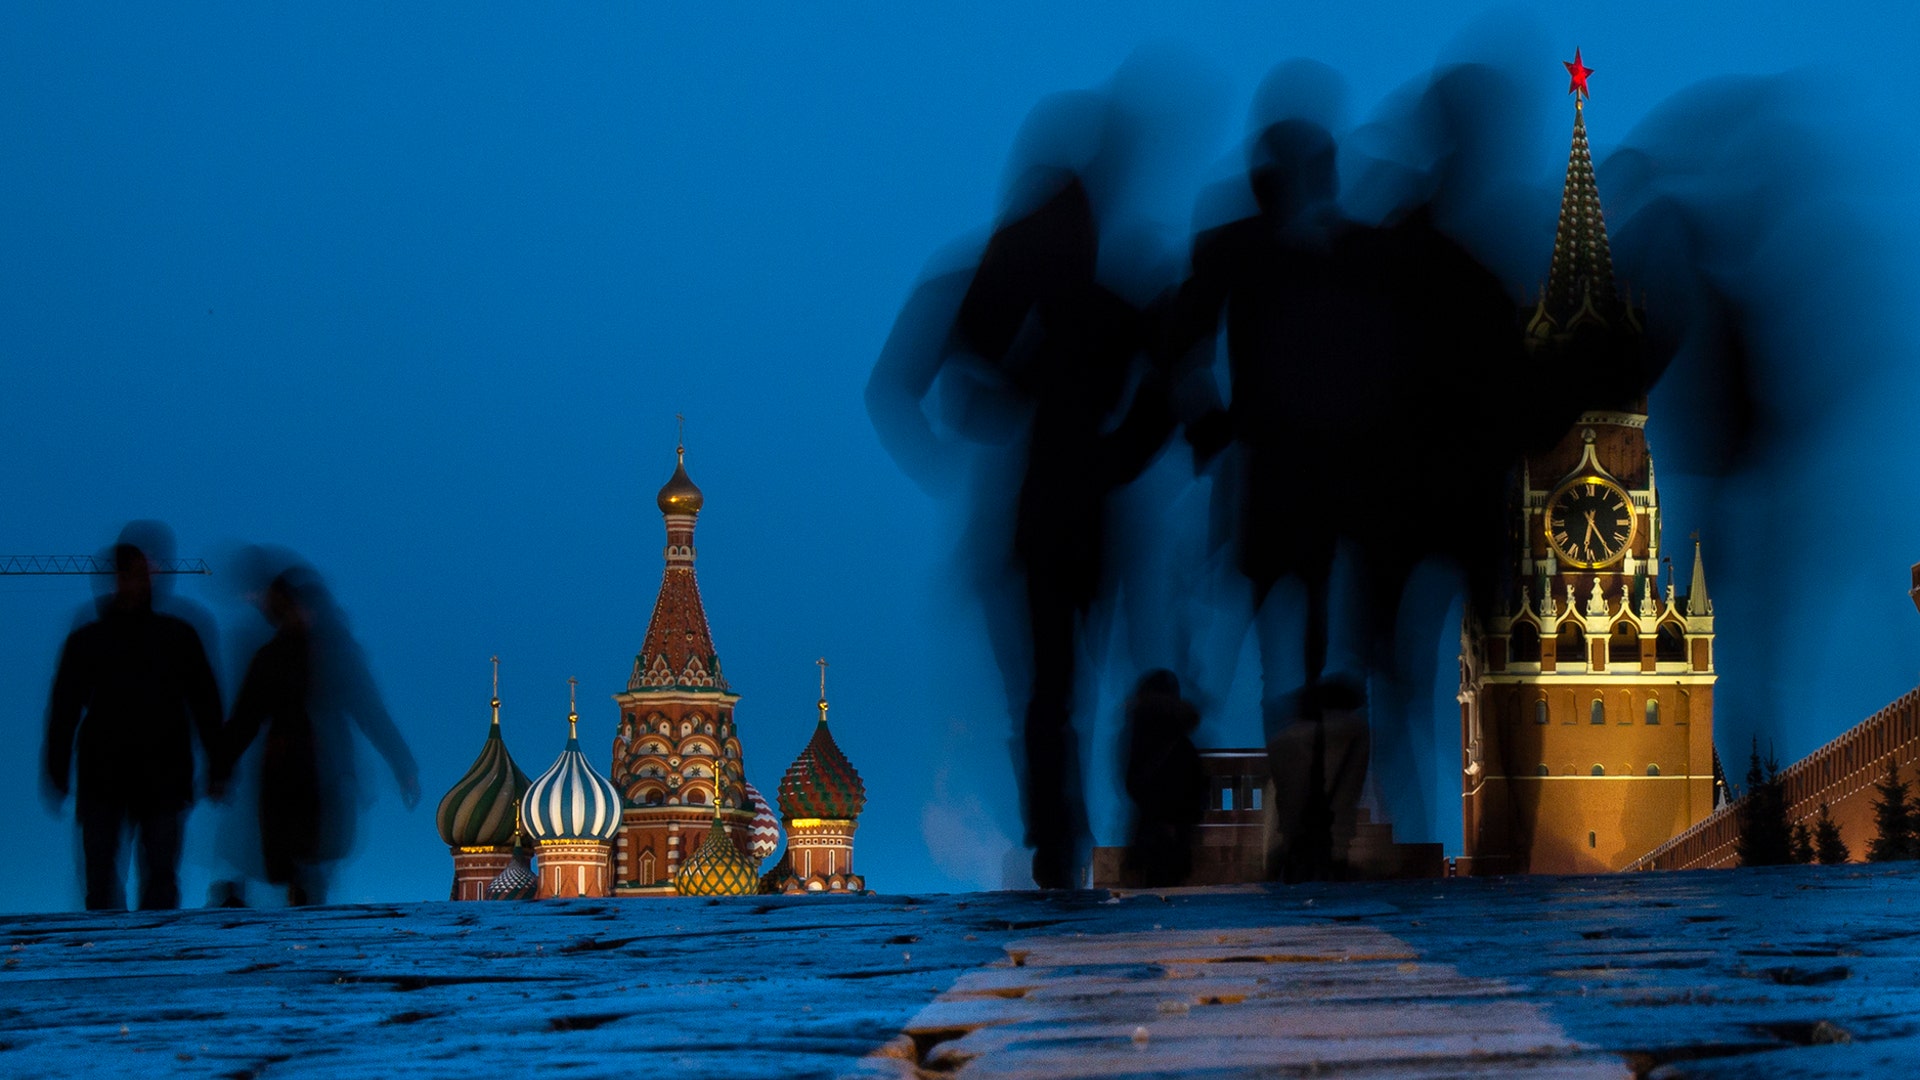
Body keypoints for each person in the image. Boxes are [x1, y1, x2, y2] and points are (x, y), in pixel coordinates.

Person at [215, 558, 419, 905]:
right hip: (297, 773)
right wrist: (221, 769)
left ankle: (301, 908)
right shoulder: (286, 656)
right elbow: (246, 718)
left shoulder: (318, 655)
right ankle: (299, 908)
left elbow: (370, 712)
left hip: (316, 773)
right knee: (298, 860)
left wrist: (403, 765)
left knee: (308, 858)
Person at [42, 525, 223, 910]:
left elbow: (65, 709)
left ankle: (115, 957)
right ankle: (142, 957)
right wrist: (218, 764)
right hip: (143, 776)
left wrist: (57, 769)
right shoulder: (174, 635)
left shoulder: (94, 638)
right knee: (136, 880)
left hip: (126, 777)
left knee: (122, 880)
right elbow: (204, 703)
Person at [1120, 670, 1206, 887]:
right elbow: (1195, 788)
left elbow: (1134, 783)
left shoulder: (1141, 735)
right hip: (1174, 832)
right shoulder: (1181, 743)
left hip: (1153, 830)